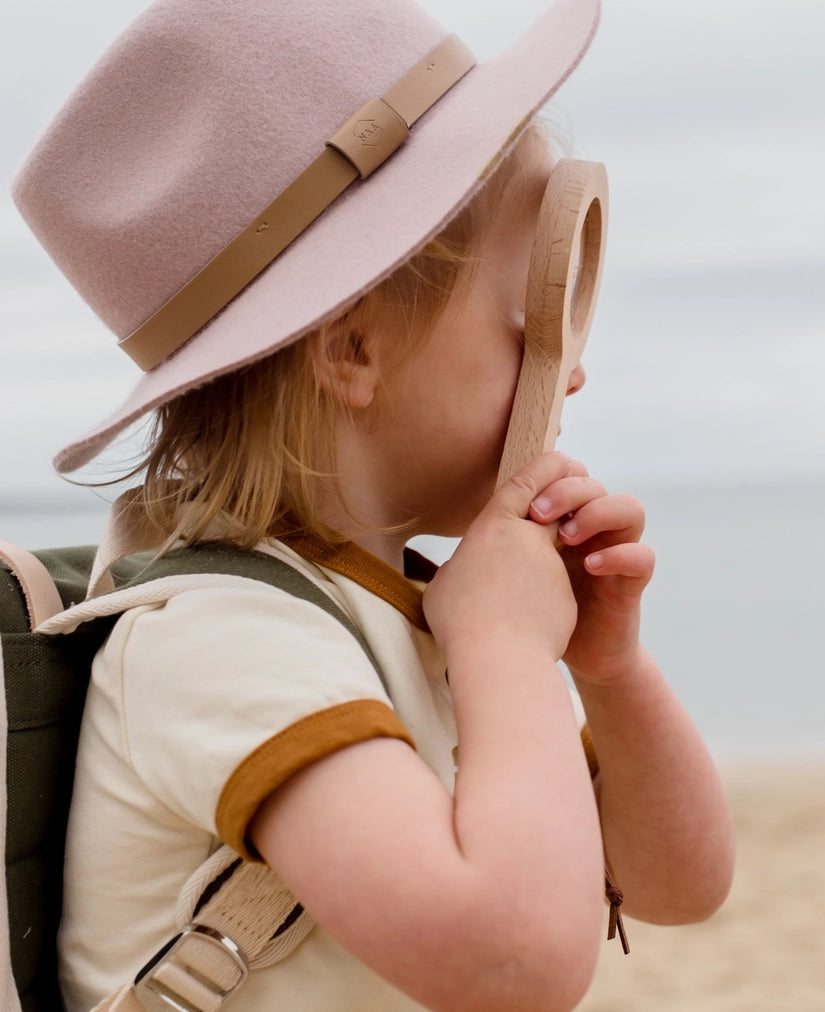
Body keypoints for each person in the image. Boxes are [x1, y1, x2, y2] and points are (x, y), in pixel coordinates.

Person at [12, 0, 734, 1008]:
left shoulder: (406, 607)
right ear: (353, 349)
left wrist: (609, 672)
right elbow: (511, 963)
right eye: (529, 315)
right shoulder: (224, 638)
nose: (568, 372)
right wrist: (508, 649)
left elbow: (677, 883)